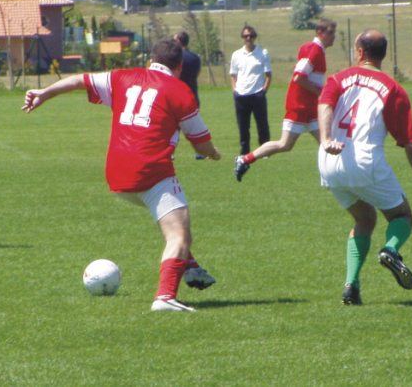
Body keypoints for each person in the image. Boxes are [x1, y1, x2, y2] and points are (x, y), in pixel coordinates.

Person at [23, 39, 221, 312]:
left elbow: (80, 80)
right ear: (179, 66)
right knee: (179, 234)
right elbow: (201, 144)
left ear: (151, 59)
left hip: (117, 176)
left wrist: (45, 93)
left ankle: (190, 267)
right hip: (151, 172)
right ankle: (165, 297)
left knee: (169, 218)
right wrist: (213, 153)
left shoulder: (123, 77)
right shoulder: (180, 91)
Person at [317, 29, 412, 305]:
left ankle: (351, 286)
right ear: (384, 54)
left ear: (359, 52)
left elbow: (324, 106)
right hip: (365, 161)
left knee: (364, 219)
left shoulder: (337, 79)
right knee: (401, 215)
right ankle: (391, 250)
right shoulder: (392, 89)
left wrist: (325, 138)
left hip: (328, 162)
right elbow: (410, 143)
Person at [235, 18, 337, 181]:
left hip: (310, 107)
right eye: (330, 32)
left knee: (326, 142)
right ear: (320, 32)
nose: (334, 36)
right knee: (285, 144)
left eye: (334, 32)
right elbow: (299, 77)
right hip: (300, 106)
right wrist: (321, 92)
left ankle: (332, 177)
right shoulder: (314, 50)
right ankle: (244, 159)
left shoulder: (315, 49)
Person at [229, 25, 272, 156]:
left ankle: (264, 151)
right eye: (246, 36)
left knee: (262, 125)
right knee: (243, 126)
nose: (248, 38)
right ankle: (244, 152)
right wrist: (235, 91)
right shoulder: (236, 54)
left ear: (254, 37)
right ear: (242, 37)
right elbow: (233, 75)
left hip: (257, 94)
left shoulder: (262, 53)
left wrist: (263, 91)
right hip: (241, 95)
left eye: (251, 36)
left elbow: (268, 75)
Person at [173, 31, 201, 105]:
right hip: (192, 95)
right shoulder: (196, 57)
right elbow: (197, 73)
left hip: (178, 96)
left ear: (178, 41)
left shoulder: (175, 57)